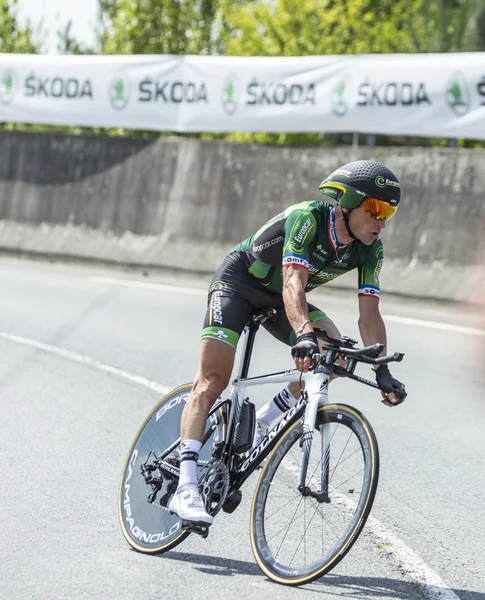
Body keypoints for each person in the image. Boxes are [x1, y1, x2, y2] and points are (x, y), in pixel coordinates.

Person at [168, 159, 407, 526]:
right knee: (213, 380)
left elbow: (369, 316)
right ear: (347, 203)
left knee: (339, 357)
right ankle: (185, 487)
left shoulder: (370, 249)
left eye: (389, 210)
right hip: (238, 285)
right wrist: (305, 334)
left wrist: (382, 369)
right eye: (375, 208)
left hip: (279, 300)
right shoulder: (308, 218)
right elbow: (293, 281)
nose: (382, 220)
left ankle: (264, 419)